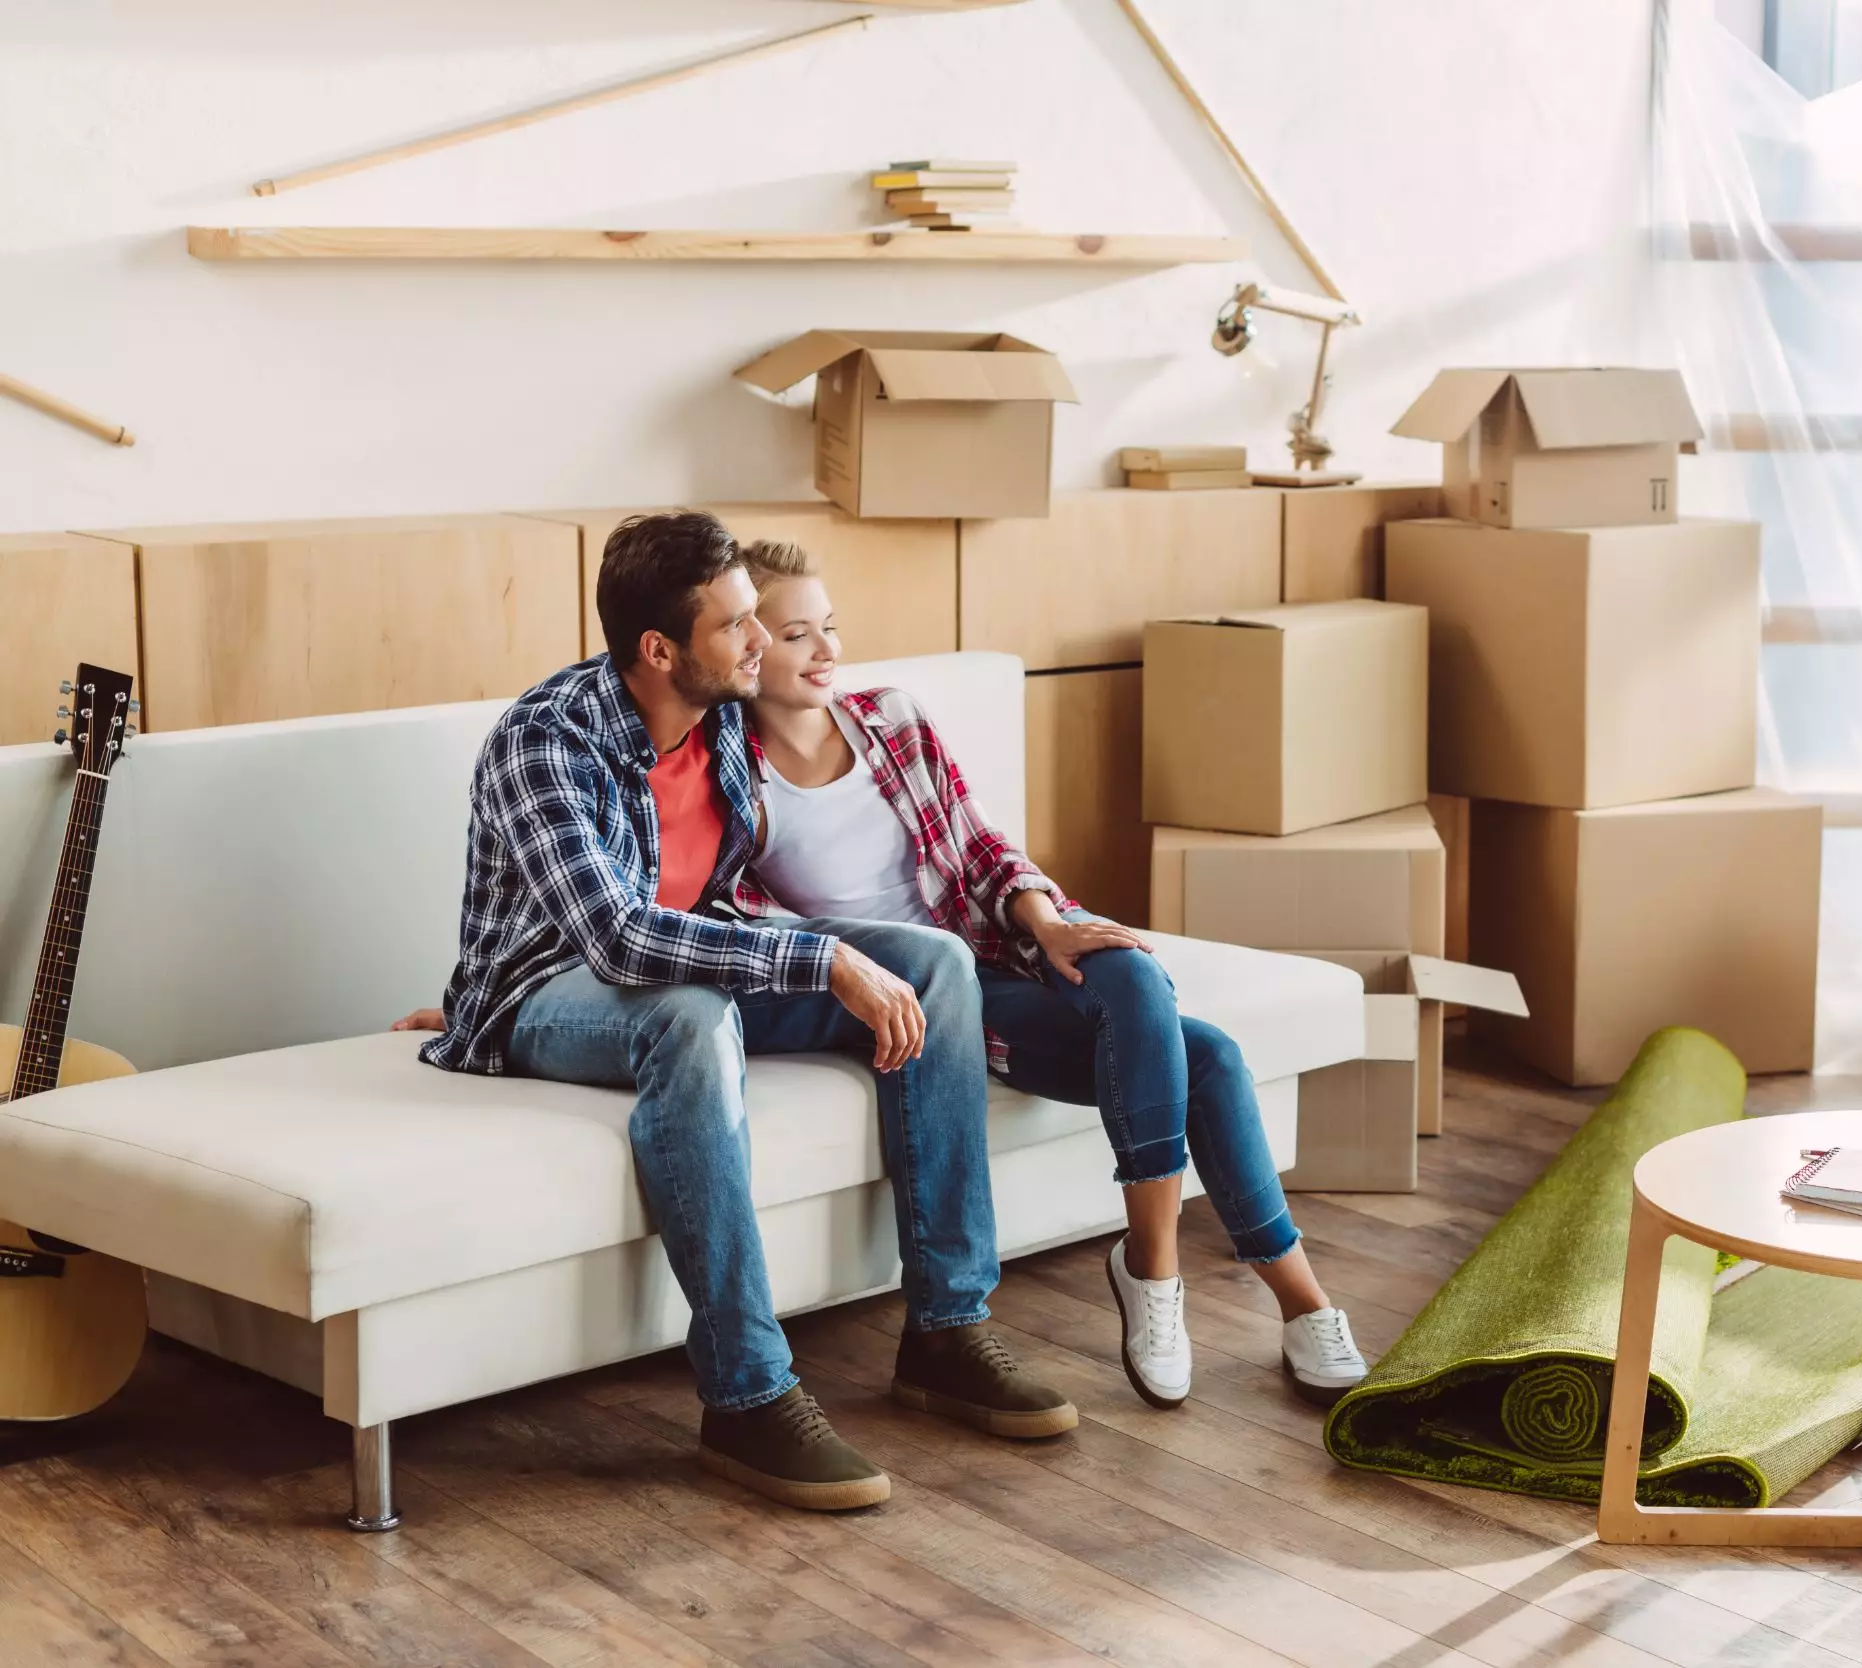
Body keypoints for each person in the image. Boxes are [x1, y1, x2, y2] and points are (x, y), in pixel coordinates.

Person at [413, 511, 1073, 1515]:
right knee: (686, 1013)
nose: (760, 639)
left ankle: (946, 1327)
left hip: (695, 969)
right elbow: (622, 942)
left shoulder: (721, 716)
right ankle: (747, 1393)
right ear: (659, 650)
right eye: (735, 625)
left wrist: (872, 948)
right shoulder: (545, 742)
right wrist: (819, 961)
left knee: (932, 966)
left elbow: (776, 857)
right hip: (540, 996)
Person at [731, 537, 1370, 1409]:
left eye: (831, 627)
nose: (828, 651)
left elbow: (982, 845)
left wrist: (1050, 923)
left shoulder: (890, 719)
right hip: (921, 995)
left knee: (1133, 974)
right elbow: (747, 922)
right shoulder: (727, 776)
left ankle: (1155, 1270)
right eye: (798, 634)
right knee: (1210, 1058)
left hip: (997, 946)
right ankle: (1297, 1301)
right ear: (746, 646)